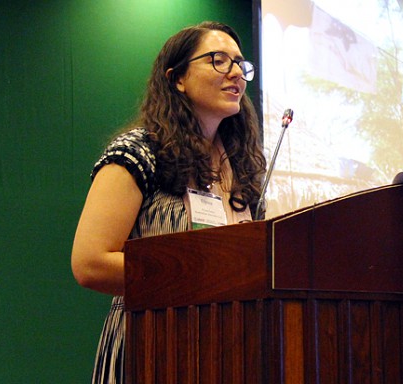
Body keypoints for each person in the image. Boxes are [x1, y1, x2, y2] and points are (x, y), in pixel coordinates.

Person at [71, 21, 266, 383]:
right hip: (151, 346)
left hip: (227, 349)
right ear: (177, 78)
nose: (236, 73)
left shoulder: (244, 167)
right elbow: (90, 263)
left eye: (241, 64)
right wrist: (201, 272)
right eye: (219, 60)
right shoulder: (136, 153)